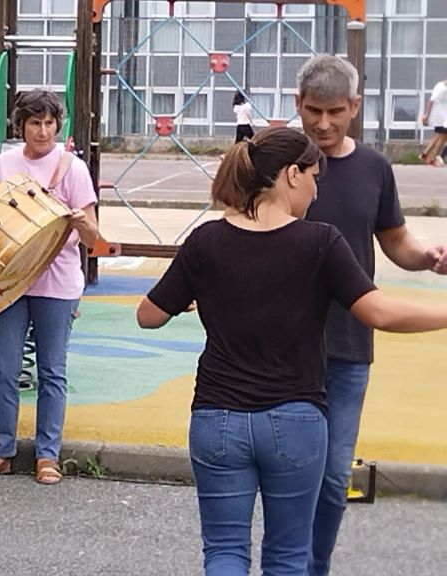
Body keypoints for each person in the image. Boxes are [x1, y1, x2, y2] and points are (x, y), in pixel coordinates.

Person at [137, 126, 447, 576]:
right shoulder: (320, 242)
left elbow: (148, 315)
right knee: (286, 557)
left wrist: (187, 299)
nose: (317, 190)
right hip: (295, 419)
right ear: (291, 175)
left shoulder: (206, 240)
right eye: (315, 177)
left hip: (217, 417)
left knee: (224, 551)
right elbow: (379, 312)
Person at [294, 55, 447, 576]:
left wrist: (428, 258)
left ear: (355, 107)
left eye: (336, 111)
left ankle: (315, 567)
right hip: (281, 342)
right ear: (298, 105)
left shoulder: (375, 168)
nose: (323, 124)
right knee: (289, 473)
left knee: (334, 476)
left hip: (349, 344)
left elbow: (395, 241)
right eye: (314, 110)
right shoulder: (275, 162)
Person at [0, 89, 100, 485]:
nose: (42, 131)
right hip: (9, 280)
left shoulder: (72, 168)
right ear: (20, 125)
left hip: (58, 282)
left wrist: (80, 223)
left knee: (52, 371)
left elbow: (93, 237)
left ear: (59, 124)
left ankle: (47, 455)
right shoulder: (4, 164)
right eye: (34, 123)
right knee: (3, 368)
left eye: (49, 123)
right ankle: (0, 449)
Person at [420, 77, 447, 166]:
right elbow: (431, 101)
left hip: (441, 115)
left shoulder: (439, 85)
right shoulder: (442, 89)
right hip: (440, 116)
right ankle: (432, 158)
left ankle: (425, 154)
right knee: (442, 137)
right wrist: (426, 115)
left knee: (438, 136)